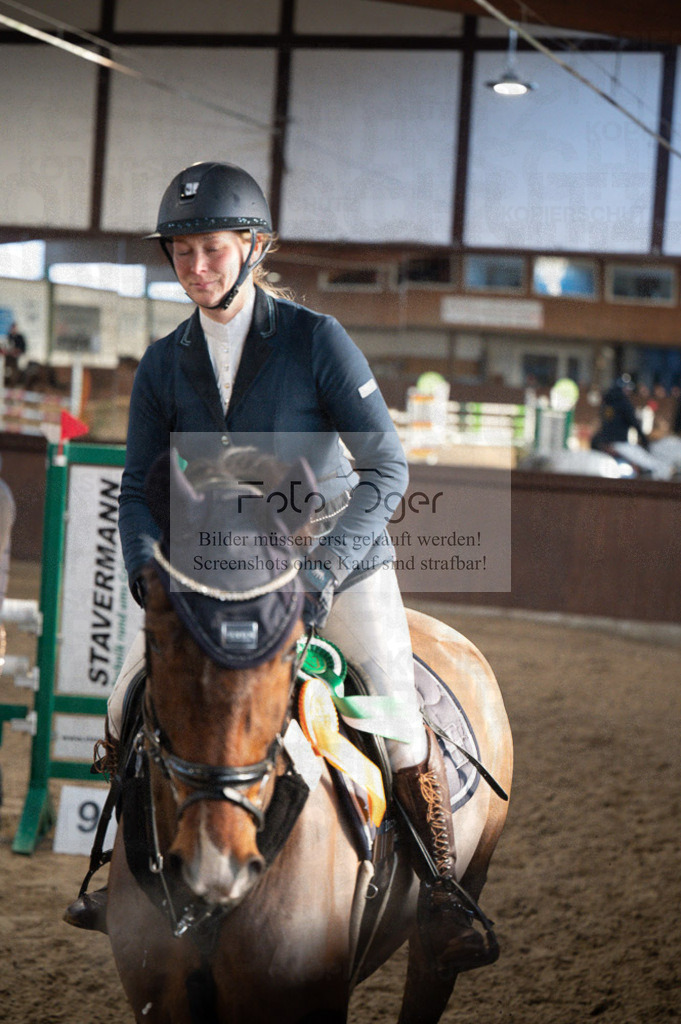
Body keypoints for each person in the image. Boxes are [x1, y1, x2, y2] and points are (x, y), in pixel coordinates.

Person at [65, 161, 494, 972]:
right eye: (182, 253)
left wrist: (323, 571)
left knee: (396, 712)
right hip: (209, 572)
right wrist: (145, 577)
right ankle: (122, 873)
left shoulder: (315, 341)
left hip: (335, 565)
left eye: (213, 251)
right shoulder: (163, 363)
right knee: (125, 702)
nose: (197, 268)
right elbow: (138, 489)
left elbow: (387, 472)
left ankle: (440, 889)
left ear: (253, 247)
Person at [591, 374, 649, 452]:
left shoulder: (607, 401)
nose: (629, 392)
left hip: (604, 442)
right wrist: (644, 440)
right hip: (620, 443)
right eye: (628, 389)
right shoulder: (624, 403)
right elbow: (633, 422)